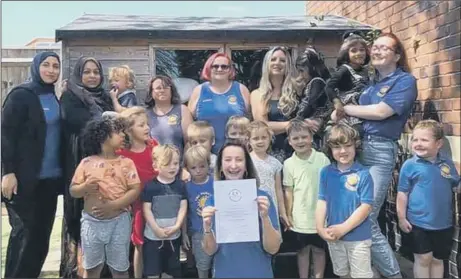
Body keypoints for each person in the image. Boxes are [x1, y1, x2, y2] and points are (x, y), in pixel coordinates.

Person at [332, 32, 418, 278]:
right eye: (375, 47)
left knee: (366, 217)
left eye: (384, 48)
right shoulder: (371, 84)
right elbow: (361, 111)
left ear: (397, 55)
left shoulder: (404, 81)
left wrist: (345, 108)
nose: (377, 51)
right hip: (358, 149)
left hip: (380, 150)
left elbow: (382, 112)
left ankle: (393, 274)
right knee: (354, 212)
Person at [1, 51, 63, 278]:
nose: (51, 70)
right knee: (24, 236)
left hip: (49, 180)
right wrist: (8, 173)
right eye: (46, 65)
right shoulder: (21, 95)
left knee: (41, 239)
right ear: (36, 67)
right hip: (23, 180)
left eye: (55, 66)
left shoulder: (53, 96)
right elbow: (6, 136)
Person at [60, 56, 114, 278]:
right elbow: (80, 123)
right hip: (79, 159)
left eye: (96, 72)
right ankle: (79, 270)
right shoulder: (70, 96)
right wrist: (106, 119)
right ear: (78, 75)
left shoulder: (106, 98)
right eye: (87, 72)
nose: (92, 76)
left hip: (107, 163)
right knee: (80, 216)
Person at [70, 117, 141, 278]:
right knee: (92, 268)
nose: (123, 135)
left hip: (119, 222)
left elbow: (135, 189)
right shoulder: (86, 163)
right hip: (91, 223)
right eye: (117, 132)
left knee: (120, 268)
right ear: (102, 136)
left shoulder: (126, 163)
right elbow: (73, 190)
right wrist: (85, 187)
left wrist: (113, 205)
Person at [201, 139, 281, 278]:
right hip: (225, 273)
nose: (233, 165)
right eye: (227, 160)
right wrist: (207, 228)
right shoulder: (212, 201)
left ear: (246, 166)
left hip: (258, 272)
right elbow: (209, 251)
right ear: (220, 166)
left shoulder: (262, 198)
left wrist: (265, 218)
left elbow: (273, 248)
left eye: (239, 160)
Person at [397, 120, 461, 278]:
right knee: (423, 258)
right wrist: (401, 217)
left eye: (424, 140)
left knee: (438, 260)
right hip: (418, 223)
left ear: (438, 143)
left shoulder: (446, 163)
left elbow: (456, 185)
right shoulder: (410, 165)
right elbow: (402, 193)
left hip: (443, 223)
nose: (418, 144)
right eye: (415, 139)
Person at [316, 123, 374, 278]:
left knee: (361, 275)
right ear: (330, 149)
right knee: (343, 274)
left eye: (347, 145)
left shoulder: (364, 174)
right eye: (337, 147)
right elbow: (322, 201)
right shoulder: (326, 172)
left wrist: (343, 228)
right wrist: (320, 228)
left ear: (356, 146)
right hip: (334, 237)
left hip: (358, 237)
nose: (343, 151)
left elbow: (366, 207)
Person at [283, 119, 330, 278]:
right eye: (295, 138)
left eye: (304, 137)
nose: (300, 141)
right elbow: (288, 191)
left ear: (311, 138)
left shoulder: (322, 159)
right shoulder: (288, 164)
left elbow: (330, 186)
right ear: (289, 142)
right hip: (299, 218)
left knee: (319, 251)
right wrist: (288, 215)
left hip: (320, 217)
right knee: (302, 252)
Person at [118, 106, 159, 278]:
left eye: (147, 124)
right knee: (139, 245)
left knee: (157, 242)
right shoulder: (121, 153)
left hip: (157, 202)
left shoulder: (154, 146)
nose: (147, 128)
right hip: (135, 205)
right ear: (128, 130)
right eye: (141, 125)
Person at [188, 52, 250, 154]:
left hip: (237, 155)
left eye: (224, 66)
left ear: (230, 70)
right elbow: (190, 127)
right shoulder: (199, 91)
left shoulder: (241, 89)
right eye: (215, 66)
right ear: (209, 68)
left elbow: (249, 122)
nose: (220, 69)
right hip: (205, 156)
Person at [142, 144, 188, 278]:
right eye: (167, 164)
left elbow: (183, 207)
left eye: (175, 163)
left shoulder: (180, 185)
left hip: (174, 237)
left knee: (170, 272)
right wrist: (156, 229)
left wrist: (177, 226)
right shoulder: (150, 186)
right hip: (153, 237)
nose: (173, 167)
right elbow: (147, 209)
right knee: (153, 272)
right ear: (156, 165)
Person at [250, 46, 298, 162]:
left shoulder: (297, 90)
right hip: (270, 152)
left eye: (282, 60)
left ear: (288, 65)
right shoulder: (257, 94)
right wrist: (292, 124)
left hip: (297, 148)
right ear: (267, 64)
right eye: (273, 59)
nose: (278, 63)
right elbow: (262, 126)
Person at [248, 120, 289, 233]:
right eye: (256, 138)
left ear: (270, 138)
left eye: (264, 137)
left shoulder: (275, 163)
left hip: (271, 205)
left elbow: (278, 190)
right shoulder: (246, 160)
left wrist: (282, 212)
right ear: (249, 141)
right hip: (251, 205)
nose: (260, 141)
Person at [325, 32, 370, 133]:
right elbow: (329, 87)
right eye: (354, 51)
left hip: (362, 110)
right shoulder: (344, 70)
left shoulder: (365, 71)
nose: (359, 53)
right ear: (346, 54)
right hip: (348, 115)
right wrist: (337, 103)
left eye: (362, 50)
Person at [182, 145, 215, 278]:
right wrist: (184, 233)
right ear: (187, 168)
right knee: (202, 266)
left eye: (202, 166)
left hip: (218, 230)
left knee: (217, 265)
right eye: (193, 167)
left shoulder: (215, 181)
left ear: (208, 164)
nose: (198, 171)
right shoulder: (186, 187)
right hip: (197, 232)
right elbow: (184, 212)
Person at [294, 46, 332, 149]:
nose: (300, 75)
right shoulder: (312, 83)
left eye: (302, 71)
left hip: (315, 124)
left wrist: (297, 119)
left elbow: (310, 104)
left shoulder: (317, 81)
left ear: (312, 68)